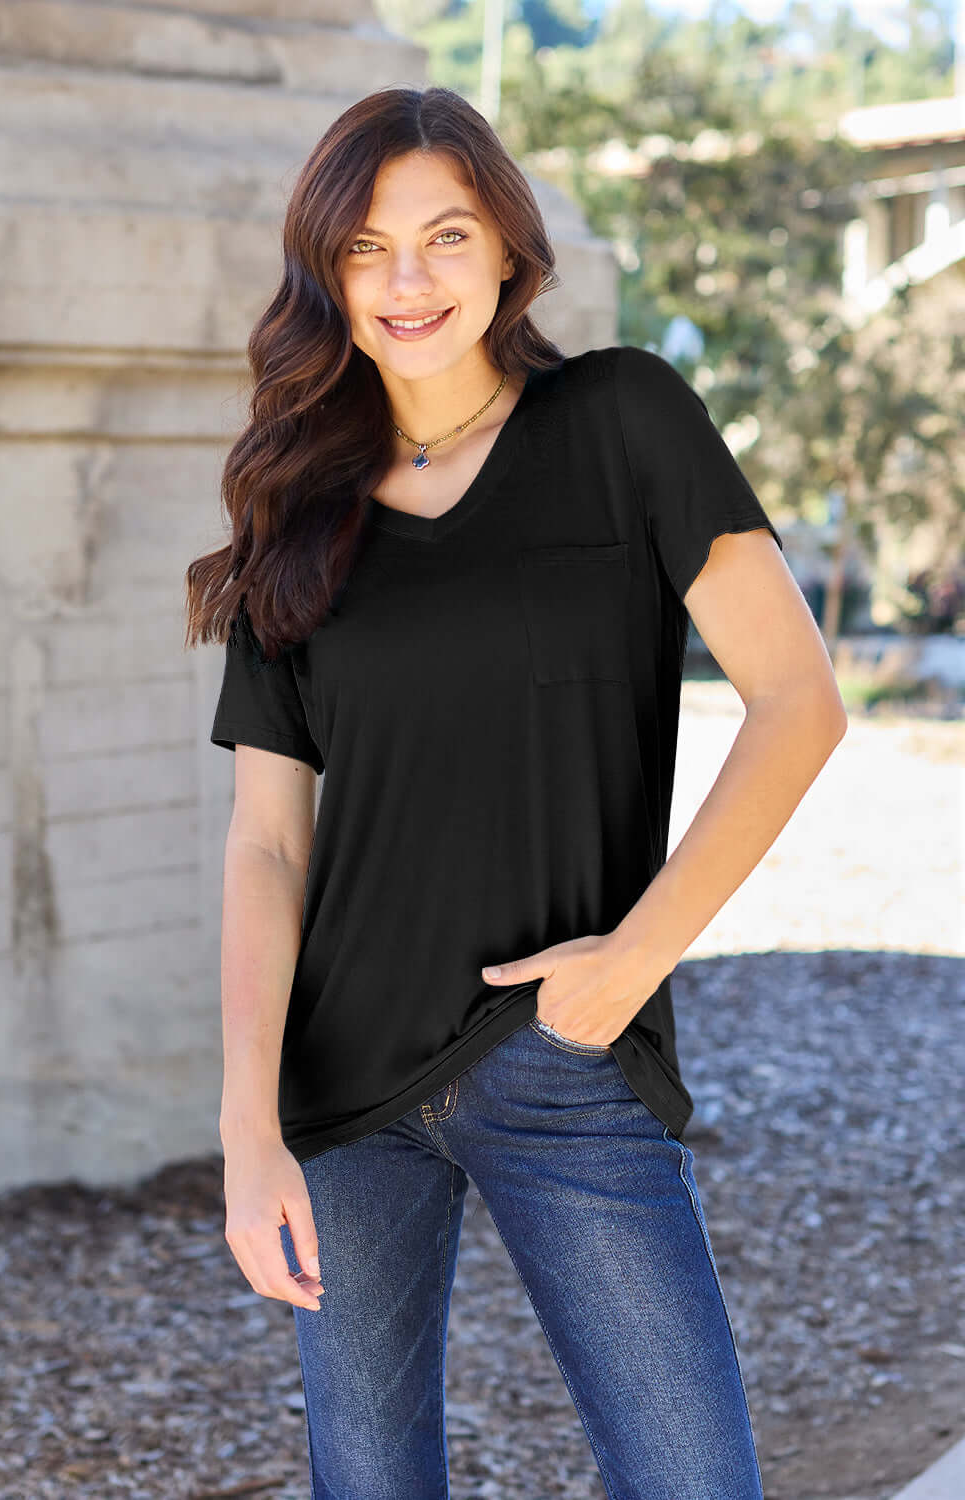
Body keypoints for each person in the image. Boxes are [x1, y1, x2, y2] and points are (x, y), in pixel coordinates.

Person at [184, 85, 847, 1500]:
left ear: (508, 253)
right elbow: (267, 851)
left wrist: (637, 958)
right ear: (328, 273)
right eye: (367, 248)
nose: (408, 280)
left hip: (562, 1057)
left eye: (444, 235)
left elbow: (800, 701)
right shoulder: (298, 510)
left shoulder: (622, 421)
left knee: (694, 1481)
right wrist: (247, 1132)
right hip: (341, 1092)